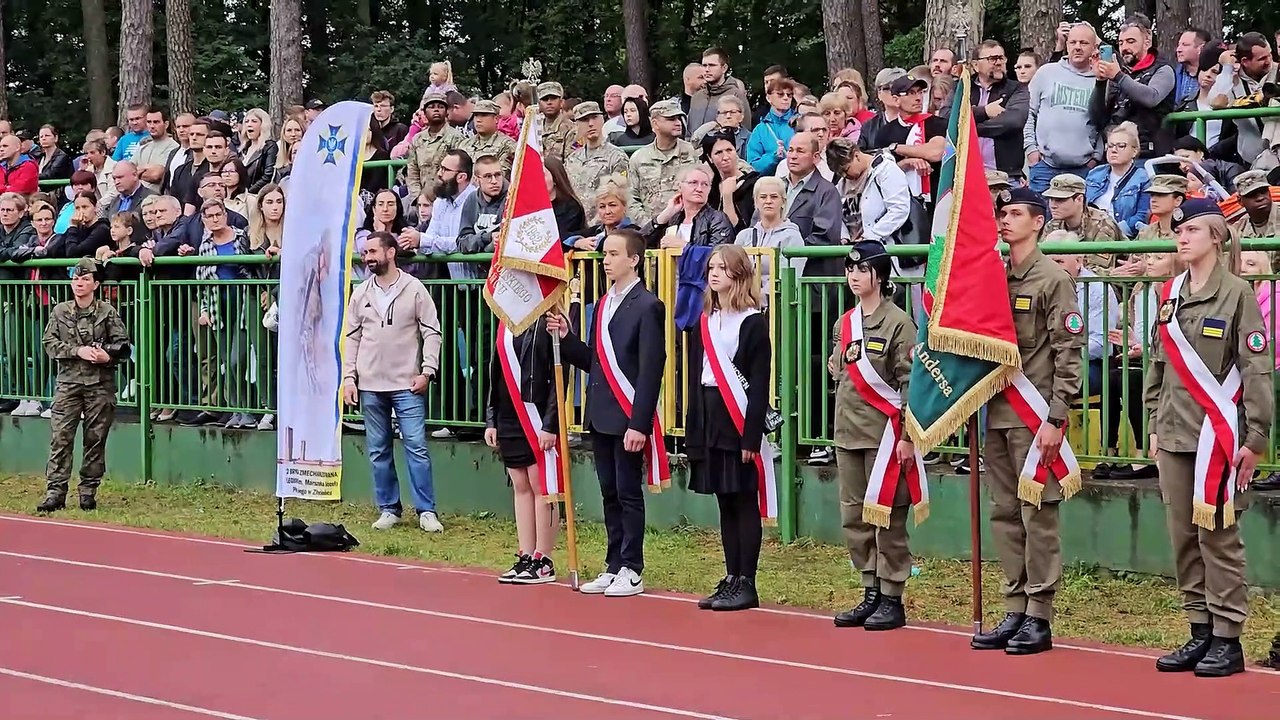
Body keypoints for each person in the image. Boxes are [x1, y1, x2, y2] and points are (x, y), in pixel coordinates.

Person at [1143, 199, 1272, 678]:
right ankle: (1199, 628)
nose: (1182, 236)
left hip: (1217, 436)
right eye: (1179, 230)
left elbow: (1256, 369)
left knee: (1218, 537)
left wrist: (1255, 437)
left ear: (1216, 237)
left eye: (1193, 229)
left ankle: (1227, 636)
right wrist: (1153, 420)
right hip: (1176, 432)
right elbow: (1157, 363)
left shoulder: (1237, 294)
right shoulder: (1171, 294)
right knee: (1183, 537)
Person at [970, 188, 1084, 656]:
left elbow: (1068, 352)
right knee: (1004, 513)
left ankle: (1040, 613)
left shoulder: (1052, 279)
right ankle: (1014, 604)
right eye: (1003, 213)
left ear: (1038, 222)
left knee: (1038, 515)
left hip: (1034, 416)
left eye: (1016, 214)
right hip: (996, 411)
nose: (1005, 220)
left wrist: (1057, 416)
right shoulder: (994, 278)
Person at [546, 228, 666, 597]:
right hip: (600, 414)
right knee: (608, 491)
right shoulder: (601, 304)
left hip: (628, 414)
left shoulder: (648, 305)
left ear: (634, 259)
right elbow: (595, 363)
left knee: (628, 492)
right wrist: (567, 339)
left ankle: (632, 566)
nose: (607, 260)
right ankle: (614, 563)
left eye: (614, 254)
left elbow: (651, 368)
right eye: (605, 254)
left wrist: (639, 423)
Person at [829, 241, 926, 631]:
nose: (854, 276)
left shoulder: (899, 323)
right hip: (848, 431)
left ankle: (891, 594)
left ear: (880, 276)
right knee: (854, 515)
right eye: (850, 270)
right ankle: (869, 587)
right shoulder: (845, 322)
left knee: (887, 515)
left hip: (884, 435)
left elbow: (909, 383)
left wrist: (905, 434)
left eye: (862, 270)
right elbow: (838, 371)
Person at [684, 244, 773, 611]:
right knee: (724, 499)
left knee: (742, 499)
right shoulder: (706, 318)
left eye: (723, 268)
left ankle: (747, 581)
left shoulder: (752, 321)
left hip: (736, 417)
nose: (714, 274)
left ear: (739, 275)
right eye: (711, 268)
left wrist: (751, 436)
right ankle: (732, 574)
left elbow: (758, 381)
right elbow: (696, 376)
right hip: (709, 413)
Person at [341, 231, 444, 533]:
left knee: (416, 446)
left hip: (407, 383)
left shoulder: (414, 289)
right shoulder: (360, 292)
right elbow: (351, 337)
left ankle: (426, 510)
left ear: (390, 252)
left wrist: (428, 371)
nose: (367, 257)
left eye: (373, 251)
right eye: (365, 252)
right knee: (378, 449)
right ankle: (389, 508)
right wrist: (349, 378)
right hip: (370, 384)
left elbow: (432, 332)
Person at [38, 257, 130, 512]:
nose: (79, 283)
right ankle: (55, 492)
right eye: (76, 279)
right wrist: (77, 351)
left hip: (100, 383)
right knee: (61, 438)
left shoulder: (107, 312)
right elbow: (49, 344)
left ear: (95, 284)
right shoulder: (60, 311)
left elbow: (123, 346)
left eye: (85, 279)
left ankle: (88, 491)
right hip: (68, 382)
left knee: (95, 439)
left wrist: (107, 356)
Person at [484, 314, 562, 585]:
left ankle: (544, 558)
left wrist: (551, 423)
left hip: (537, 414)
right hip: (508, 414)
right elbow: (495, 372)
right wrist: (491, 419)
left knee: (540, 483)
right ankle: (526, 554)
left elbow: (559, 376)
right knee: (520, 483)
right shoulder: (505, 321)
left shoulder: (549, 318)